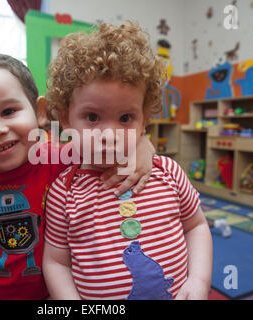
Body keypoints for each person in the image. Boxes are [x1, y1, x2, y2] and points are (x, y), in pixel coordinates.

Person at [0, 52, 156, 300]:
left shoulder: (61, 158)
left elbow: (109, 145)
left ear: (39, 112)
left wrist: (142, 145)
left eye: (8, 111)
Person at [43, 22, 213, 300]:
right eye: (93, 117)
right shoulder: (64, 191)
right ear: (65, 119)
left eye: (125, 118)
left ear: (143, 120)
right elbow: (56, 261)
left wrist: (199, 280)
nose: (109, 134)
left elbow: (196, 225)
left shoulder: (168, 172)